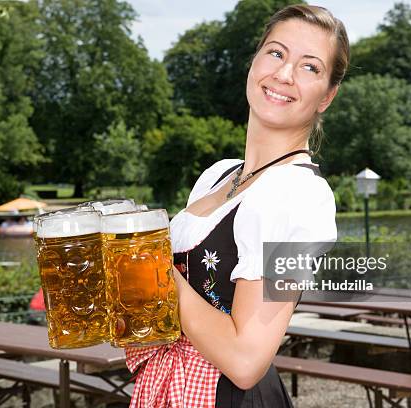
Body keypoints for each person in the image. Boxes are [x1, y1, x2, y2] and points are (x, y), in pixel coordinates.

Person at [126, 4, 349, 407]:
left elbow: (247, 359)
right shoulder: (218, 175)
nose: (283, 74)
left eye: (310, 67)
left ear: (327, 97)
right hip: (168, 388)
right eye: (277, 53)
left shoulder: (301, 197)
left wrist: (154, 274)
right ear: (255, 60)